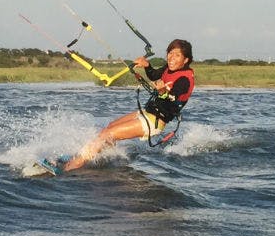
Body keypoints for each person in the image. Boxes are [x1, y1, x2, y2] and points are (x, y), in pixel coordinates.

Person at [48, 39, 194, 173]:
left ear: (185, 59)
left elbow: (173, 99)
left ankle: (70, 167)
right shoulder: (169, 68)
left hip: (154, 122)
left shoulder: (184, 80)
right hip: (147, 113)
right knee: (108, 128)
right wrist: (147, 66)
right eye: (170, 53)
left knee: (107, 135)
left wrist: (162, 91)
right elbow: (155, 75)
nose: (171, 58)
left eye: (177, 55)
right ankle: (95, 156)